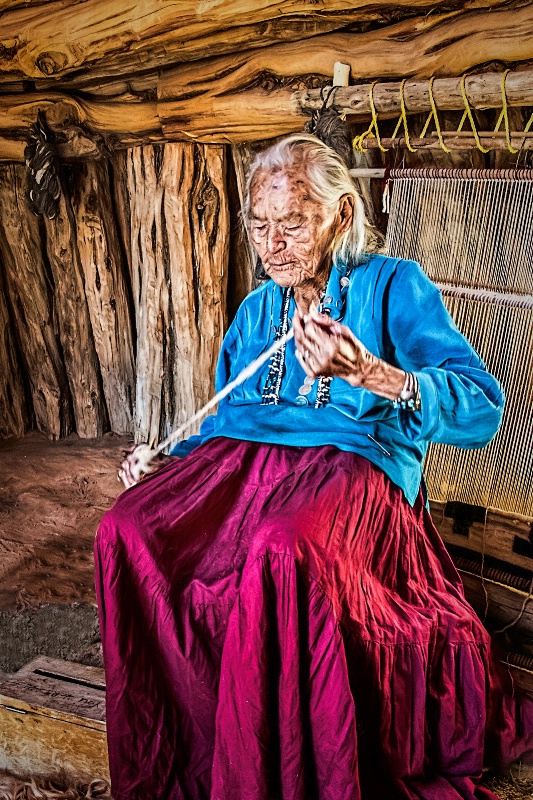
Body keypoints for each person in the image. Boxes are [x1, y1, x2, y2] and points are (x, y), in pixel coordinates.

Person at [94, 134, 532, 800]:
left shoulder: (393, 286)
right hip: (243, 469)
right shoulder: (255, 312)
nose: (272, 245)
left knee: (283, 547)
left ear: (342, 217)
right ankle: (191, 752)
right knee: (128, 526)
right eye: (260, 227)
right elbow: (222, 426)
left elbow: (482, 408)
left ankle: (282, 764)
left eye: (291, 225)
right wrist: (165, 463)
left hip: (351, 470)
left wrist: (374, 373)